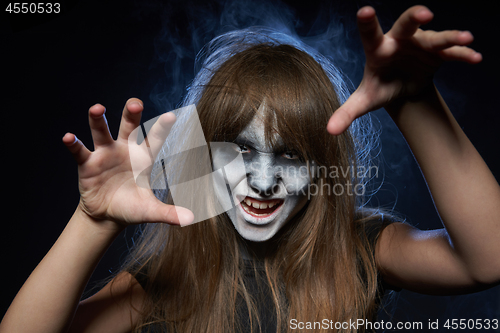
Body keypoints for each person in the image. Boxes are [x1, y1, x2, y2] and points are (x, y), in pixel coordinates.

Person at [1, 5, 499, 333]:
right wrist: (94, 221)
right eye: (238, 151)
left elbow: (488, 260)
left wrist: (416, 103)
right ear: (199, 154)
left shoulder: (361, 246)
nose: (263, 181)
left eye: (291, 156)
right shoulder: (175, 271)